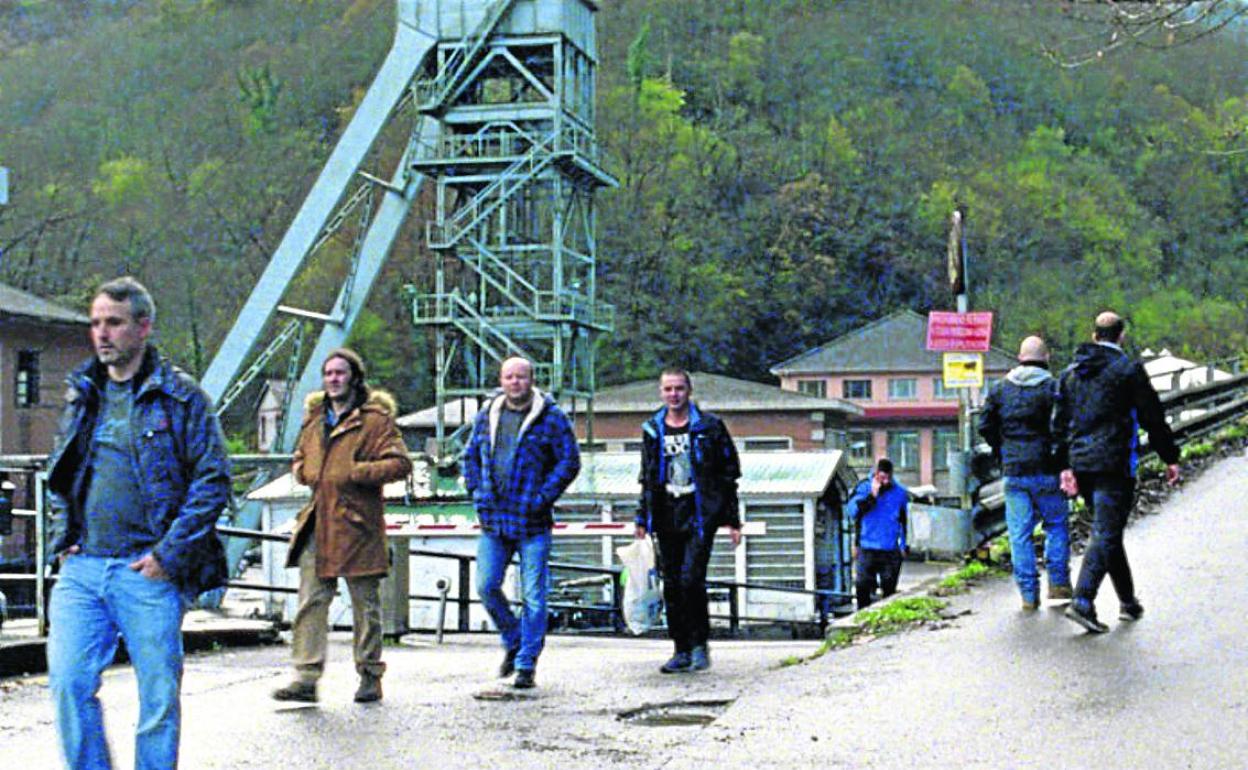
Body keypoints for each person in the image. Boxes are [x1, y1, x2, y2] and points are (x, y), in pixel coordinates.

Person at [46, 276, 230, 769]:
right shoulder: (83, 395)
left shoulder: (182, 398)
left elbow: (212, 482)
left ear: (143, 327)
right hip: (83, 570)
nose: (102, 334)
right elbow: (62, 472)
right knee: (67, 682)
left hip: (147, 570)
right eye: (96, 323)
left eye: (114, 323)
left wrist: (168, 557)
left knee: (158, 696)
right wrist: (63, 539)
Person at [272, 348, 412, 704]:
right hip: (318, 520)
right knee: (310, 602)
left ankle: (369, 673)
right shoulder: (314, 420)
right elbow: (301, 456)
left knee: (365, 605)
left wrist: (357, 473)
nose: (333, 379)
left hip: (357, 523)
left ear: (354, 377)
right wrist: (304, 471)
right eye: (328, 373)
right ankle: (305, 675)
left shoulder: (375, 421)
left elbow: (399, 463)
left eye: (340, 372)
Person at [1055, 311, 1181, 633]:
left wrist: (1064, 465)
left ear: (1094, 335)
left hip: (1082, 464)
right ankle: (1083, 600)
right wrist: (1170, 456)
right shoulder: (1128, 370)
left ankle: (1127, 601)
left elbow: (1059, 424)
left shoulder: (1071, 374)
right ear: (1120, 336)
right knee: (1106, 532)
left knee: (1106, 532)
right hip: (1114, 463)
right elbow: (1152, 415)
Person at [462, 356, 580, 689]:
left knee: (534, 595)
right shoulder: (487, 415)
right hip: (494, 519)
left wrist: (543, 496)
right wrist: (476, 489)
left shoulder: (551, 417)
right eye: (509, 377)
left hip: (533, 521)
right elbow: (470, 455)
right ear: (501, 380)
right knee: (486, 585)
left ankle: (527, 662)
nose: (515, 383)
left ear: (531, 379)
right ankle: (512, 638)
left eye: (521, 377)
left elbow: (569, 461)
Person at [635, 369, 742, 674]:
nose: (674, 394)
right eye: (668, 389)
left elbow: (728, 475)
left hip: (698, 513)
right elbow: (646, 476)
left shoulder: (710, 427)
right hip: (666, 512)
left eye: (679, 388)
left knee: (691, 579)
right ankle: (680, 648)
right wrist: (642, 517)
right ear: (661, 392)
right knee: (671, 583)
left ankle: (699, 645)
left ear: (689, 390)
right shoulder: (653, 429)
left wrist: (732, 520)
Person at [978, 335, 1072, 611]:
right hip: (1047, 470)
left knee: (1019, 534)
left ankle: (1029, 595)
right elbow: (1064, 428)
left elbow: (985, 425)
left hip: (1014, 471)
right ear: (1046, 358)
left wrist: (1001, 449)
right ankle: (1058, 584)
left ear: (1020, 357)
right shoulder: (1053, 388)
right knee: (1055, 525)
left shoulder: (1000, 389)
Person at [848, 458, 908, 609]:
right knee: (862, 586)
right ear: (875, 475)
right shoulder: (863, 488)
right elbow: (852, 512)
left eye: (888, 478)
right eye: (882, 478)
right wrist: (872, 496)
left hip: (890, 548)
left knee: (889, 587)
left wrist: (904, 544)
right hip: (867, 546)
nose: (885, 482)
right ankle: (861, 617)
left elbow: (905, 520)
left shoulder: (899, 492)